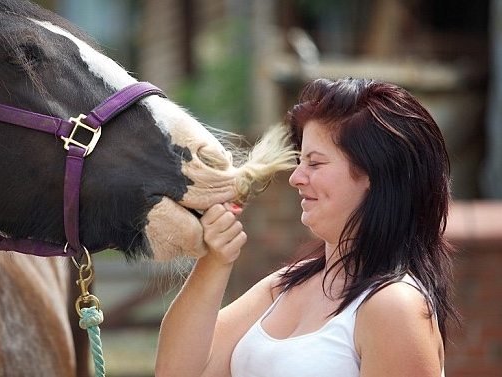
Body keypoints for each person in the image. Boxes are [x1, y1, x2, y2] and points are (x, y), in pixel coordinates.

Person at [155, 78, 457, 377]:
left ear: (375, 176)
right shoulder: (286, 286)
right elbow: (176, 371)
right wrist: (215, 260)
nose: (296, 178)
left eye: (315, 163)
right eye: (300, 161)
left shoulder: (395, 305)